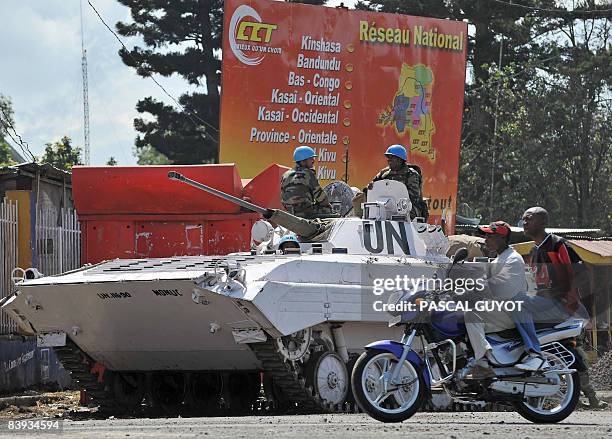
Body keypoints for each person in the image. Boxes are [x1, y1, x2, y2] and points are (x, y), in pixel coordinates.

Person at [509, 206, 582, 371]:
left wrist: (573, 303)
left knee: (517, 301)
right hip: (544, 305)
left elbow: (578, 275)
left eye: (529, 218)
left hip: (561, 305)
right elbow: (534, 284)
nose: (524, 222)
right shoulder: (534, 251)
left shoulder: (557, 245)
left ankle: (535, 355)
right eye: (523, 219)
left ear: (542, 221)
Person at [463, 221, 528, 375]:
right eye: (485, 236)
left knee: (470, 315)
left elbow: (500, 287)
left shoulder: (513, 259)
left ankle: (482, 360)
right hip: (500, 310)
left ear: (502, 238)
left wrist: (475, 289)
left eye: (490, 236)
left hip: (510, 312)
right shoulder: (500, 258)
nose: (486, 240)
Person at [352, 144, 427, 220]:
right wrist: (370, 187)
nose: (389, 160)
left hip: (408, 208)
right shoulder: (384, 173)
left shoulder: (411, 175)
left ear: (400, 159)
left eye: (392, 157)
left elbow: (414, 198)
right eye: (388, 157)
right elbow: (372, 188)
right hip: (385, 206)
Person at [281, 146, 332, 219]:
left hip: (291, 212)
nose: (313, 161)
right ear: (303, 161)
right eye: (311, 158)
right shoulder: (308, 174)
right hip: (307, 212)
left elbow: (283, 196)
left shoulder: (285, 174)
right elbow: (320, 196)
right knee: (327, 209)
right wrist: (329, 207)